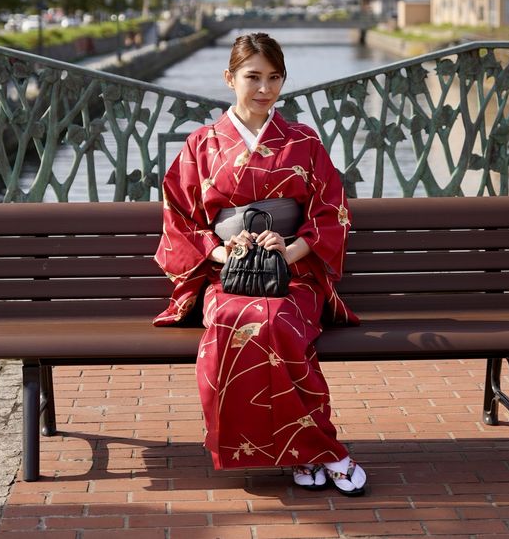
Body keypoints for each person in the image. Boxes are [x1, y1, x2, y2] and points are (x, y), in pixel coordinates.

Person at [153, 32, 368, 495]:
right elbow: (180, 221)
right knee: (236, 317)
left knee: (278, 319)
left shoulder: (304, 141)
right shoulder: (202, 144)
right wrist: (221, 251)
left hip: (292, 274)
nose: (264, 88)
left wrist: (289, 251)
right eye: (253, 77)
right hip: (228, 275)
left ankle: (304, 449)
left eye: (274, 77)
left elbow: (333, 213)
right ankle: (318, 450)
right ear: (230, 79)